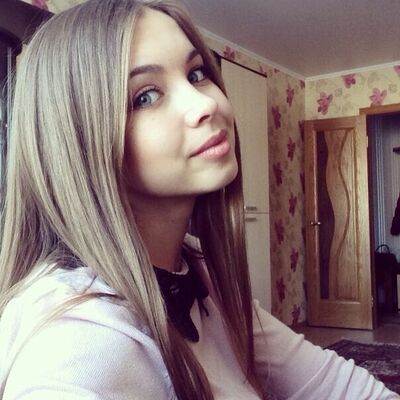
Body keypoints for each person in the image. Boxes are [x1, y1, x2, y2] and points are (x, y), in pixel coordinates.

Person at [0, 0, 397, 399]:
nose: (206, 103)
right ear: (78, 142)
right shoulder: (80, 338)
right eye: (146, 96)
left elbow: (337, 385)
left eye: (196, 73)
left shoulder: (196, 269)